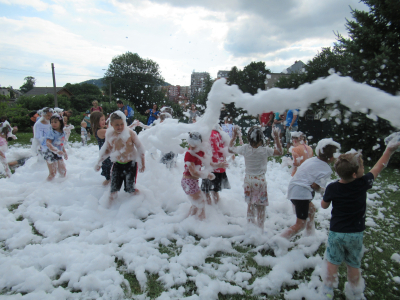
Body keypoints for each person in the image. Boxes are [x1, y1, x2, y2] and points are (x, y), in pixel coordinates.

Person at [320, 141, 400, 300]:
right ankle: (355, 292)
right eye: (362, 167)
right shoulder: (363, 183)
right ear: (355, 174)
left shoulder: (332, 188)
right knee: (353, 264)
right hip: (355, 234)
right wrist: (389, 151)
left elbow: (323, 205)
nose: (366, 169)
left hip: (337, 233)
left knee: (332, 263)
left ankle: (327, 290)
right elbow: (379, 166)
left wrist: (327, 196)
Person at [281, 139, 340, 240]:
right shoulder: (326, 169)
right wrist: (323, 191)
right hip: (301, 194)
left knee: (311, 209)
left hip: (293, 189)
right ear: (331, 158)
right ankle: (279, 240)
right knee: (300, 224)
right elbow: (315, 186)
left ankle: (309, 235)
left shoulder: (311, 160)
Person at [228, 126, 283, 230]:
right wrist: (276, 138)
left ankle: (250, 225)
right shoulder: (265, 150)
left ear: (249, 138)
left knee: (250, 204)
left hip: (248, 180)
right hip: (260, 181)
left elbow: (230, 150)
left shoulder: (245, 148)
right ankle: (260, 228)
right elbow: (280, 152)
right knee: (261, 206)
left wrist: (234, 136)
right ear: (261, 138)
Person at [95, 111, 145, 206]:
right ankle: (106, 210)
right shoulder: (110, 135)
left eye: (122, 124)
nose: (120, 127)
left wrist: (142, 163)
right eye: (117, 125)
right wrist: (99, 162)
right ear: (111, 124)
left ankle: (142, 199)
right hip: (117, 164)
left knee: (130, 189)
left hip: (131, 164)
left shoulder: (130, 133)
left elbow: (140, 148)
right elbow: (107, 150)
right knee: (113, 189)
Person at [181, 132, 215, 220]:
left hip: (192, 182)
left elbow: (208, 162)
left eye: (194, 145)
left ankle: (188, 219)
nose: (192, 146)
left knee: (195, 203)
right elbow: (193, 173)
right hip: (188, 181)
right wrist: (207, 175)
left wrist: (219, 165)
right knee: (201, 202)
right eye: (190, 144)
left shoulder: (199, 152)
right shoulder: (189, 154)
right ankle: (201, 222)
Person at [201, 126, 230, 205]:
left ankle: (210, 208)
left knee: (205, 190)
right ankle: (218, 207)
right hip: (220, 167)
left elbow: (206, 150)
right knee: (215, 191)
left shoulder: (209, 134)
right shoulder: (221, 135)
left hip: (211, 167)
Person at [90, 112, 112, 185]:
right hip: (107, 157)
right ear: (96, 122)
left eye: (104, 119)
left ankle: (105, 190)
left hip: (106, 155)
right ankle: (106, 192)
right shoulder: (100, 131)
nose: (104, 121)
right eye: (101, 120)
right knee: (111, 176)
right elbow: (116, 132)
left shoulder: (101, 130)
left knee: (110, 177)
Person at [45, 114, 68, 181]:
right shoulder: (51, 133)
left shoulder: (62, 132)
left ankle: (60, 186)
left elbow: (61, 143)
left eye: (55, 122)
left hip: (58, 153)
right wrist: (56, 151)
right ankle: (46, 186)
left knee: (63, 172)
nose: (53, 124)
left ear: (60, 123)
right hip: (50, 153)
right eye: (51, 122)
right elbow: (48, 143)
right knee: (53, 173)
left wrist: (64, 152)